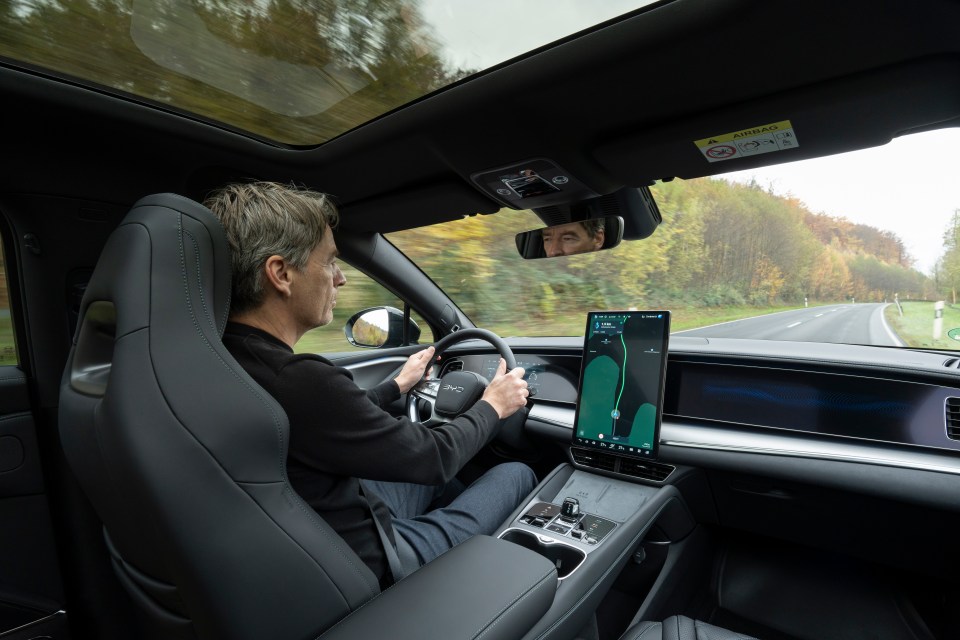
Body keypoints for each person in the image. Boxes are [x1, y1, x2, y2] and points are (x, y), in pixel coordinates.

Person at [205, 181, 535, 588]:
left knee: (447, 482)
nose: (340, 279)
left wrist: (396, 386)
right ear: (280, 273)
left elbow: (329, 418)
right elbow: (434, 458)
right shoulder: (297, 379)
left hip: (308, 543)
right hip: (375, 562)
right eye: (329, 262)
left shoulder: (220, 359)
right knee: (516, 473)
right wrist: (494, 405)